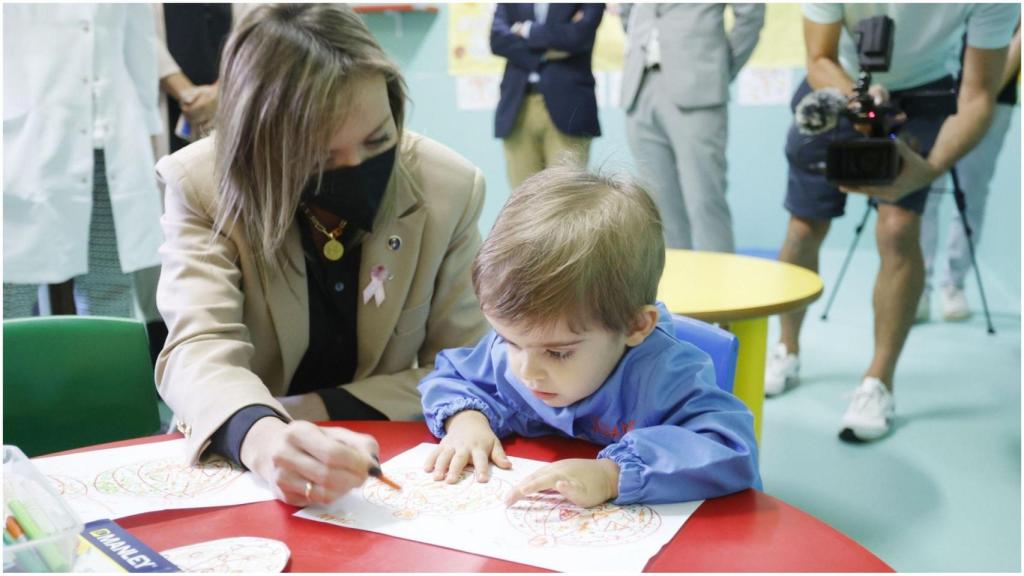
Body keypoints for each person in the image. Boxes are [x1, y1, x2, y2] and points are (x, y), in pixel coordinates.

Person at [154, 4, 489, 506]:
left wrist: (304, 410)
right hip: (247, 468)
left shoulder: (447, 188)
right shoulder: (203, 184)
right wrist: (267, 438)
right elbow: (197, 350)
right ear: (261, 146)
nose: (356, 169)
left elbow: (465, 365)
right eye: (321, 159)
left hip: (401, 465)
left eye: (378, 141)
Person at [418, 166, 760, 507]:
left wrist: (612, 474)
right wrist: (466, 421)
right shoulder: (521, 351)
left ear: (635, 326)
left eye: (557, 353)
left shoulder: (665, 376)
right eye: (510, 342)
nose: (526, 372)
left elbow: (732, 448)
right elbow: (454, 376)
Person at [766, 4, 1017, 442]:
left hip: (925, 93)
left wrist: (930, 167)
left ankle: (878, 381)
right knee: (804, 226)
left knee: (900, 228)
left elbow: (979, 96)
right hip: (838, 80)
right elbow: (819, 57)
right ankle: (786, 347)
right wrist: (859, 100)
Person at [3, 4, 164, 320]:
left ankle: (108, 370)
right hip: (22, 145)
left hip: (109, 145)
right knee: (10, 289)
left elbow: (139, 43)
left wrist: (147, 127)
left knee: (110, 292)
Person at [621, 3, 765, 252]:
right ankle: (671, 288)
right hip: (639, 85)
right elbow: (626, 11)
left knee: (705, 201)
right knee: (657, 206)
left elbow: (751, 13)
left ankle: (718, 288)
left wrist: (718, 67)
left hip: (699, 85)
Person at [918, 21, 1021, 322]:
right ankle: (918, 286)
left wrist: (980, 95)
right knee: (925, 188)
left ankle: (953, 285)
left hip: (994, 96)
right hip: (939, 89)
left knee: (972, 191)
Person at [490, 3, 604, 189]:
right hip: (517, 106)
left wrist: (525, 30)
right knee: (522, 203)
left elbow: (578, 36)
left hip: (569, 106)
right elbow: (498, 40)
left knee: (564, 199)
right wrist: (547, 51)